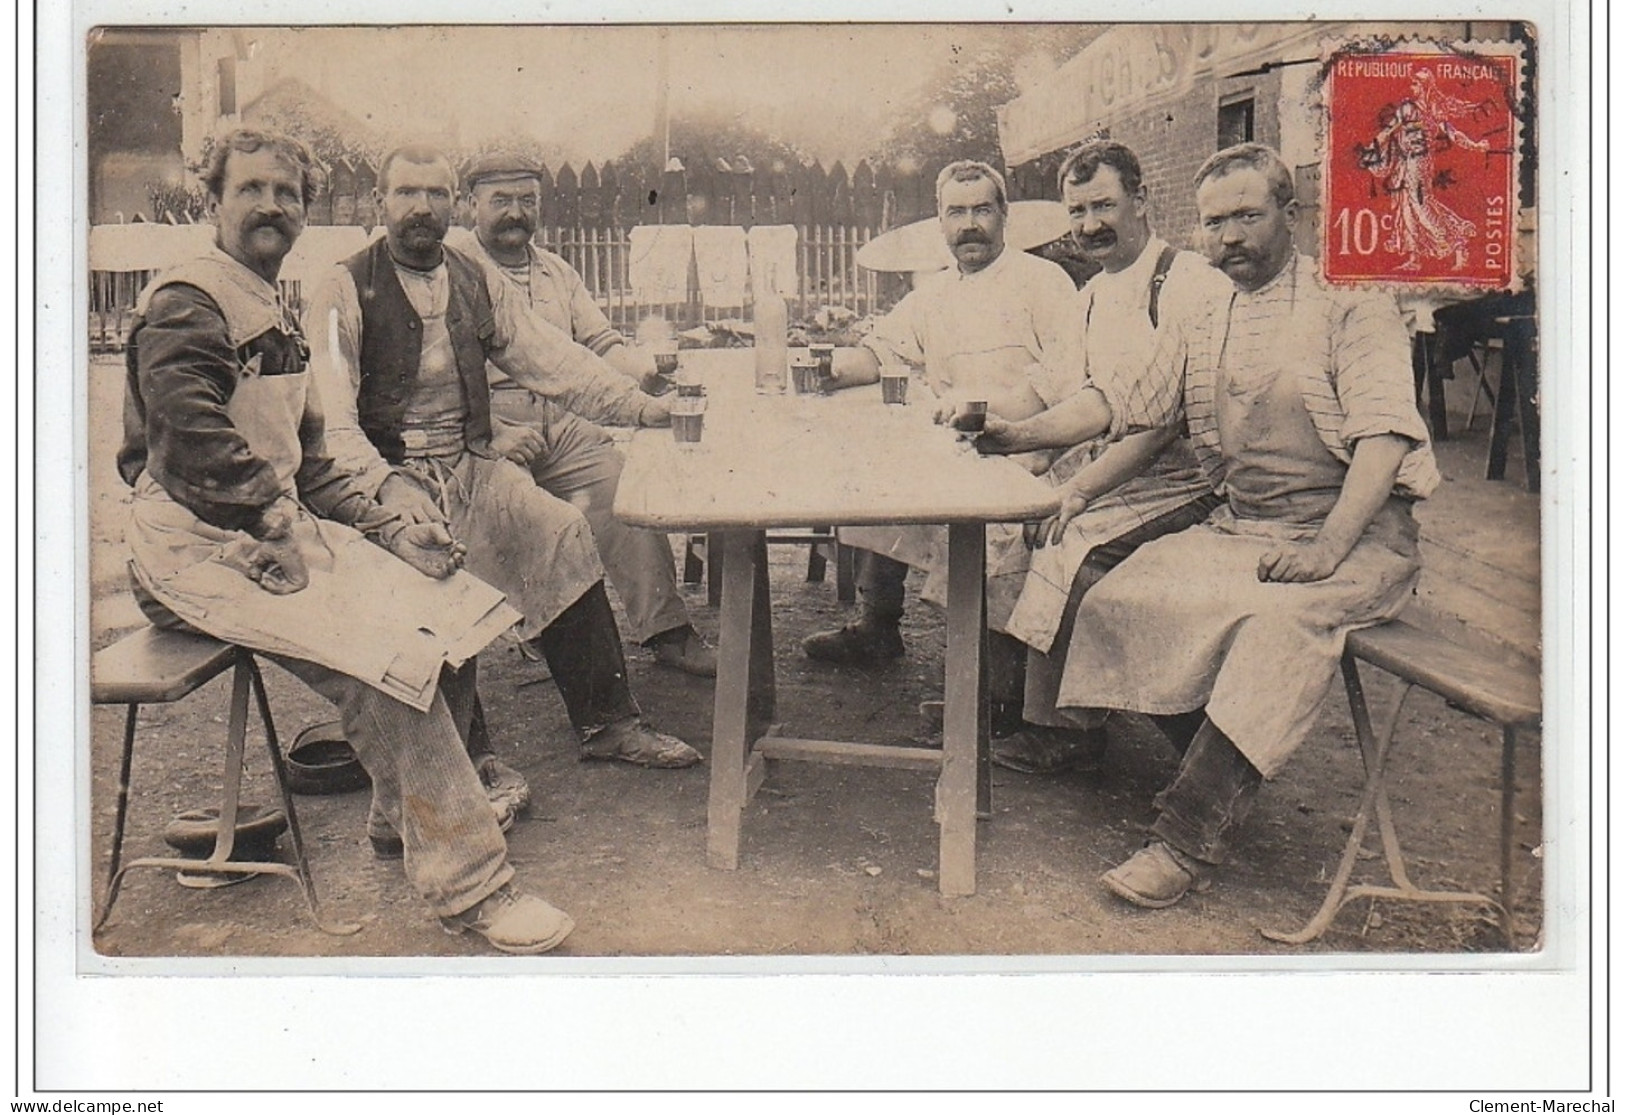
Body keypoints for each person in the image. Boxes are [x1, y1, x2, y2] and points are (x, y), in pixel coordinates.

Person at [118, 128, 574, 953]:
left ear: (306, 209)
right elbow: (187, 442)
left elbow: (314, 462)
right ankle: (473, 886)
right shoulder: (189, 302)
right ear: (211, 200)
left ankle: (398, 814)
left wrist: (394, 529)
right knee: (386, 661)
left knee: (451, 604)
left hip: (270, 528)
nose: (270, 206)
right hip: (189, 550)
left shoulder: (271, 302)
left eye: (287, 193)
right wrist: (272, 522)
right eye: (250, 189)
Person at [983, 142, 1439, 908]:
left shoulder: (1350, 302)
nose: (1228, 238)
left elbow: (1384, 440)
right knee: (1116, 596)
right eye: (1213, 223)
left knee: (1274, 630)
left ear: (1287, 215)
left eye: (1246, 217)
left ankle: (1186, 836)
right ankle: (1218, 768)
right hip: (1245, 526)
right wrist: (1073, 487)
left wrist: (1326, 550)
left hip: (1355, 539)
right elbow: (1142, 414)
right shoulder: (1203, 309)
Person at [307, 145, 703, 822]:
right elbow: (332, 420)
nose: (421, 208)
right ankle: (470, 761)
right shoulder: (342, 286)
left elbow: (555, 363)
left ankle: (608, 721)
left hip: (466, 462)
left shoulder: (471, 276)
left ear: (454, 204)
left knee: (560, 529)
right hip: (381, 482)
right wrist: (387, 490)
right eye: (405, 193)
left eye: (435, 193)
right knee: (430, 580)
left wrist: (645, 409)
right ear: (380, 202)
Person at [970, 140, 1228, 776]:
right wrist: (992, 422)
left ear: (1142, 201)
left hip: (1180, 478)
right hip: (1108, 465)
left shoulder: (1186, 282)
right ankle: (1002, 703)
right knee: (1007, 526)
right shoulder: (1092, 294)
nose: (1089, 226)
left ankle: (1066, 731)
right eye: (1077, 210)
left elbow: (1163, 423)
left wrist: (1069, 483)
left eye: (1104, 206)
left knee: (1070, 540)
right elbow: (1057, 387)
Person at [802, 160, 1080, 736]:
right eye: (957, 213)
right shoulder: (935, 293)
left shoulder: (1044, 282)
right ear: (941, 223)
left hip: (1033, 449)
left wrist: (997, 423)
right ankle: (878, 626)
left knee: (998, 536)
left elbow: (1063, 379)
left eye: (982, 210)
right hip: (962, 444)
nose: (970, 225)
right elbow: (885, 349)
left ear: (1005, 216)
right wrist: (831, 365)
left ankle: (995, 698)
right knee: (880, 482)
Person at [448, 152, 715, 677]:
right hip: (489, 428)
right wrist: (491, 429)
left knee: (625, 491)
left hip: (563, 422)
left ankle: (666, 631)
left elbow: (598, 342)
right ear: (468, 205)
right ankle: (544, 628)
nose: (515, 213)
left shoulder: (556, 271)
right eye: (500, 201)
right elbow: (433, 376)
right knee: (523, 512)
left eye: (527, 200)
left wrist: (645, 375)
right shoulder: (453, 271)